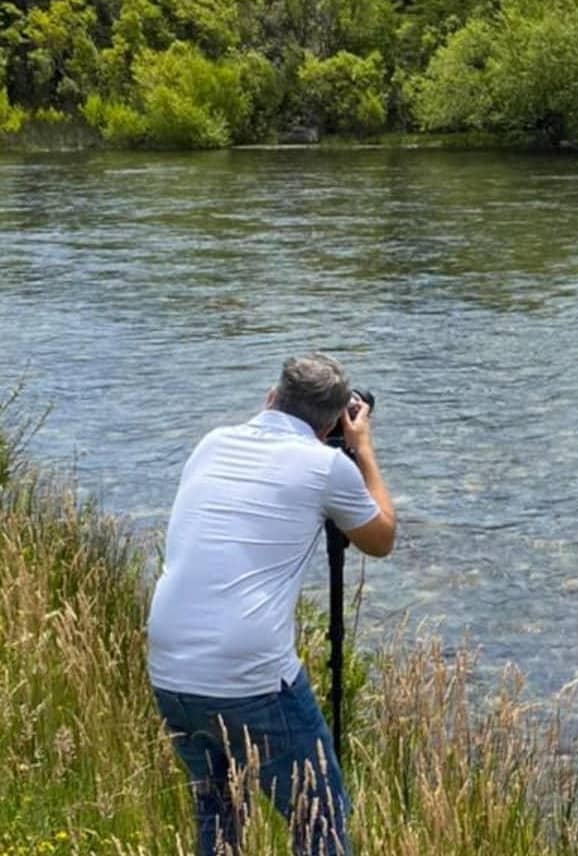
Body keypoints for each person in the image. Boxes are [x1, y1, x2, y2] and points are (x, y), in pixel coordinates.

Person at [147, 352, 396, 856]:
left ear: (270, 397)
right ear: (332, 423)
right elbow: (381, 538)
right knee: (319, 820)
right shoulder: (327, 465)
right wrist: (362, 448)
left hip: (170, 668)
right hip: (250, 676)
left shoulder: (212, 442)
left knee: (219, 815)